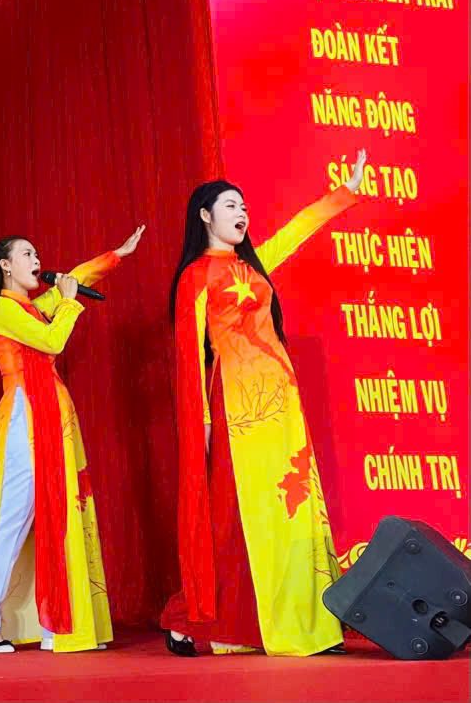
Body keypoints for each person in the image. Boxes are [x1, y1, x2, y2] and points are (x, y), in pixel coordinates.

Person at [161, 151, 366, 657]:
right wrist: (201, 423)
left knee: (293, 511)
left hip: (282, 404)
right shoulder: (195, 277)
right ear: (205, 215)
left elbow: (296, 232)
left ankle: (308, 623)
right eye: (231, 205)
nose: (242, 213)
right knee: (238, 518)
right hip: (237, 408)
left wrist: (344, 194)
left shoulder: (252, 266)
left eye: (244, 206)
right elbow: (189, 356)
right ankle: (204, 619)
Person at [0, 226, 145, 654]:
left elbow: (76, 276)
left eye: (37, 254)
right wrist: (67, 302)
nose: (37, 261)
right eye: (27, 254)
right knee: (13, 518)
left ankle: (62, 624)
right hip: (24, 416)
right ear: (6, 266)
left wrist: (115, 255)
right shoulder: (3, 310)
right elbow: (51, 341)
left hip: (54, 413)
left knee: (62, 510)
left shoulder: (32, 307)